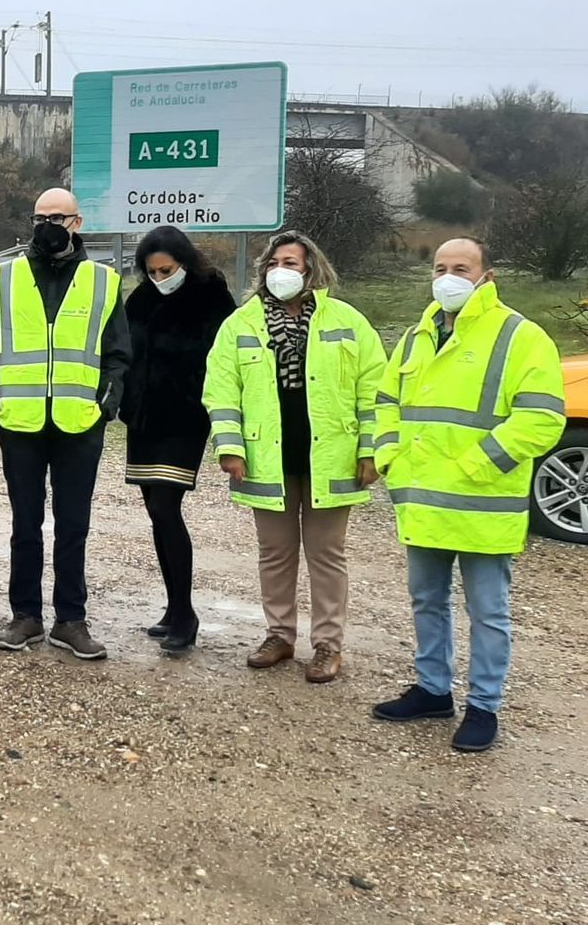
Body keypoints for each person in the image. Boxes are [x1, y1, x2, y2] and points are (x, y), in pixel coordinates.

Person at [371, 238, 565, 752]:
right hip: (424, 500)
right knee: (426, 601)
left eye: (462, 267)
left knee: (489, 612)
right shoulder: (417, 335)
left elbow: (542, 418)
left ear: (487, 276)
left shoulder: (520, 336)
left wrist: (479, 463)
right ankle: (433, 689)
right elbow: (386, 401)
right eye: (440, 267)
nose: (448, 276)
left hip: (482, 502)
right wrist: (390, 454)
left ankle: (484, 705)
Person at [203, 230, 386, 684]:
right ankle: (279, 635)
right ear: (263, 269)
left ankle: (327, 645)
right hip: (268, 456)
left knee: (327, 555)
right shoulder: (241, 324)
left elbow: (374, 390)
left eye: (292, 262)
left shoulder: (347, 321)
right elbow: (222, 390)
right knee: (275, 553)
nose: (281, 270)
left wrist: (370, 450)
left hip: (332, 455)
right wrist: (230, 447)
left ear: (311, 269)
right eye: (274, 262)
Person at [0, 188, 131, 660]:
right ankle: (25, 615)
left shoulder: (103, 281)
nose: (48, 225)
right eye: (40, 217)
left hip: (79, 423)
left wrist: (104, 408)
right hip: (20, 422)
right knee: (25, 524)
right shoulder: (2, 278)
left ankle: (71, 619)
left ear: (78, 223)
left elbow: (118, 354)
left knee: (73, 525)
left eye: (58, 217)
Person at [119, 225, 236, 655]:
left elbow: (224, 359)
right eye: (151, 271)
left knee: (167, 508)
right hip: (144, 420)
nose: (159, 277)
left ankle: (186, 613)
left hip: (184, 417)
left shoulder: (212, 297)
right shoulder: (141, 299)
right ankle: (173, 607)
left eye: (166, 269)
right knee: (154, 510)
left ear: (183, 263)